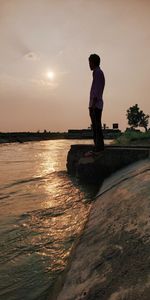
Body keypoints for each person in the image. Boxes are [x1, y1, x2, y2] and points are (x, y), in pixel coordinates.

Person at [88, 53, 105, 155]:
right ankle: (98, 146)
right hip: (95, 104)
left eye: (89, 62)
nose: (89, 64)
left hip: (96, 104)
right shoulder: (97, 72)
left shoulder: (98, 72)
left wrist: (93, 104)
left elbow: (97, 90)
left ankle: (98, 147)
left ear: (93, 62)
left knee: (96, 126)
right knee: (96, 126)